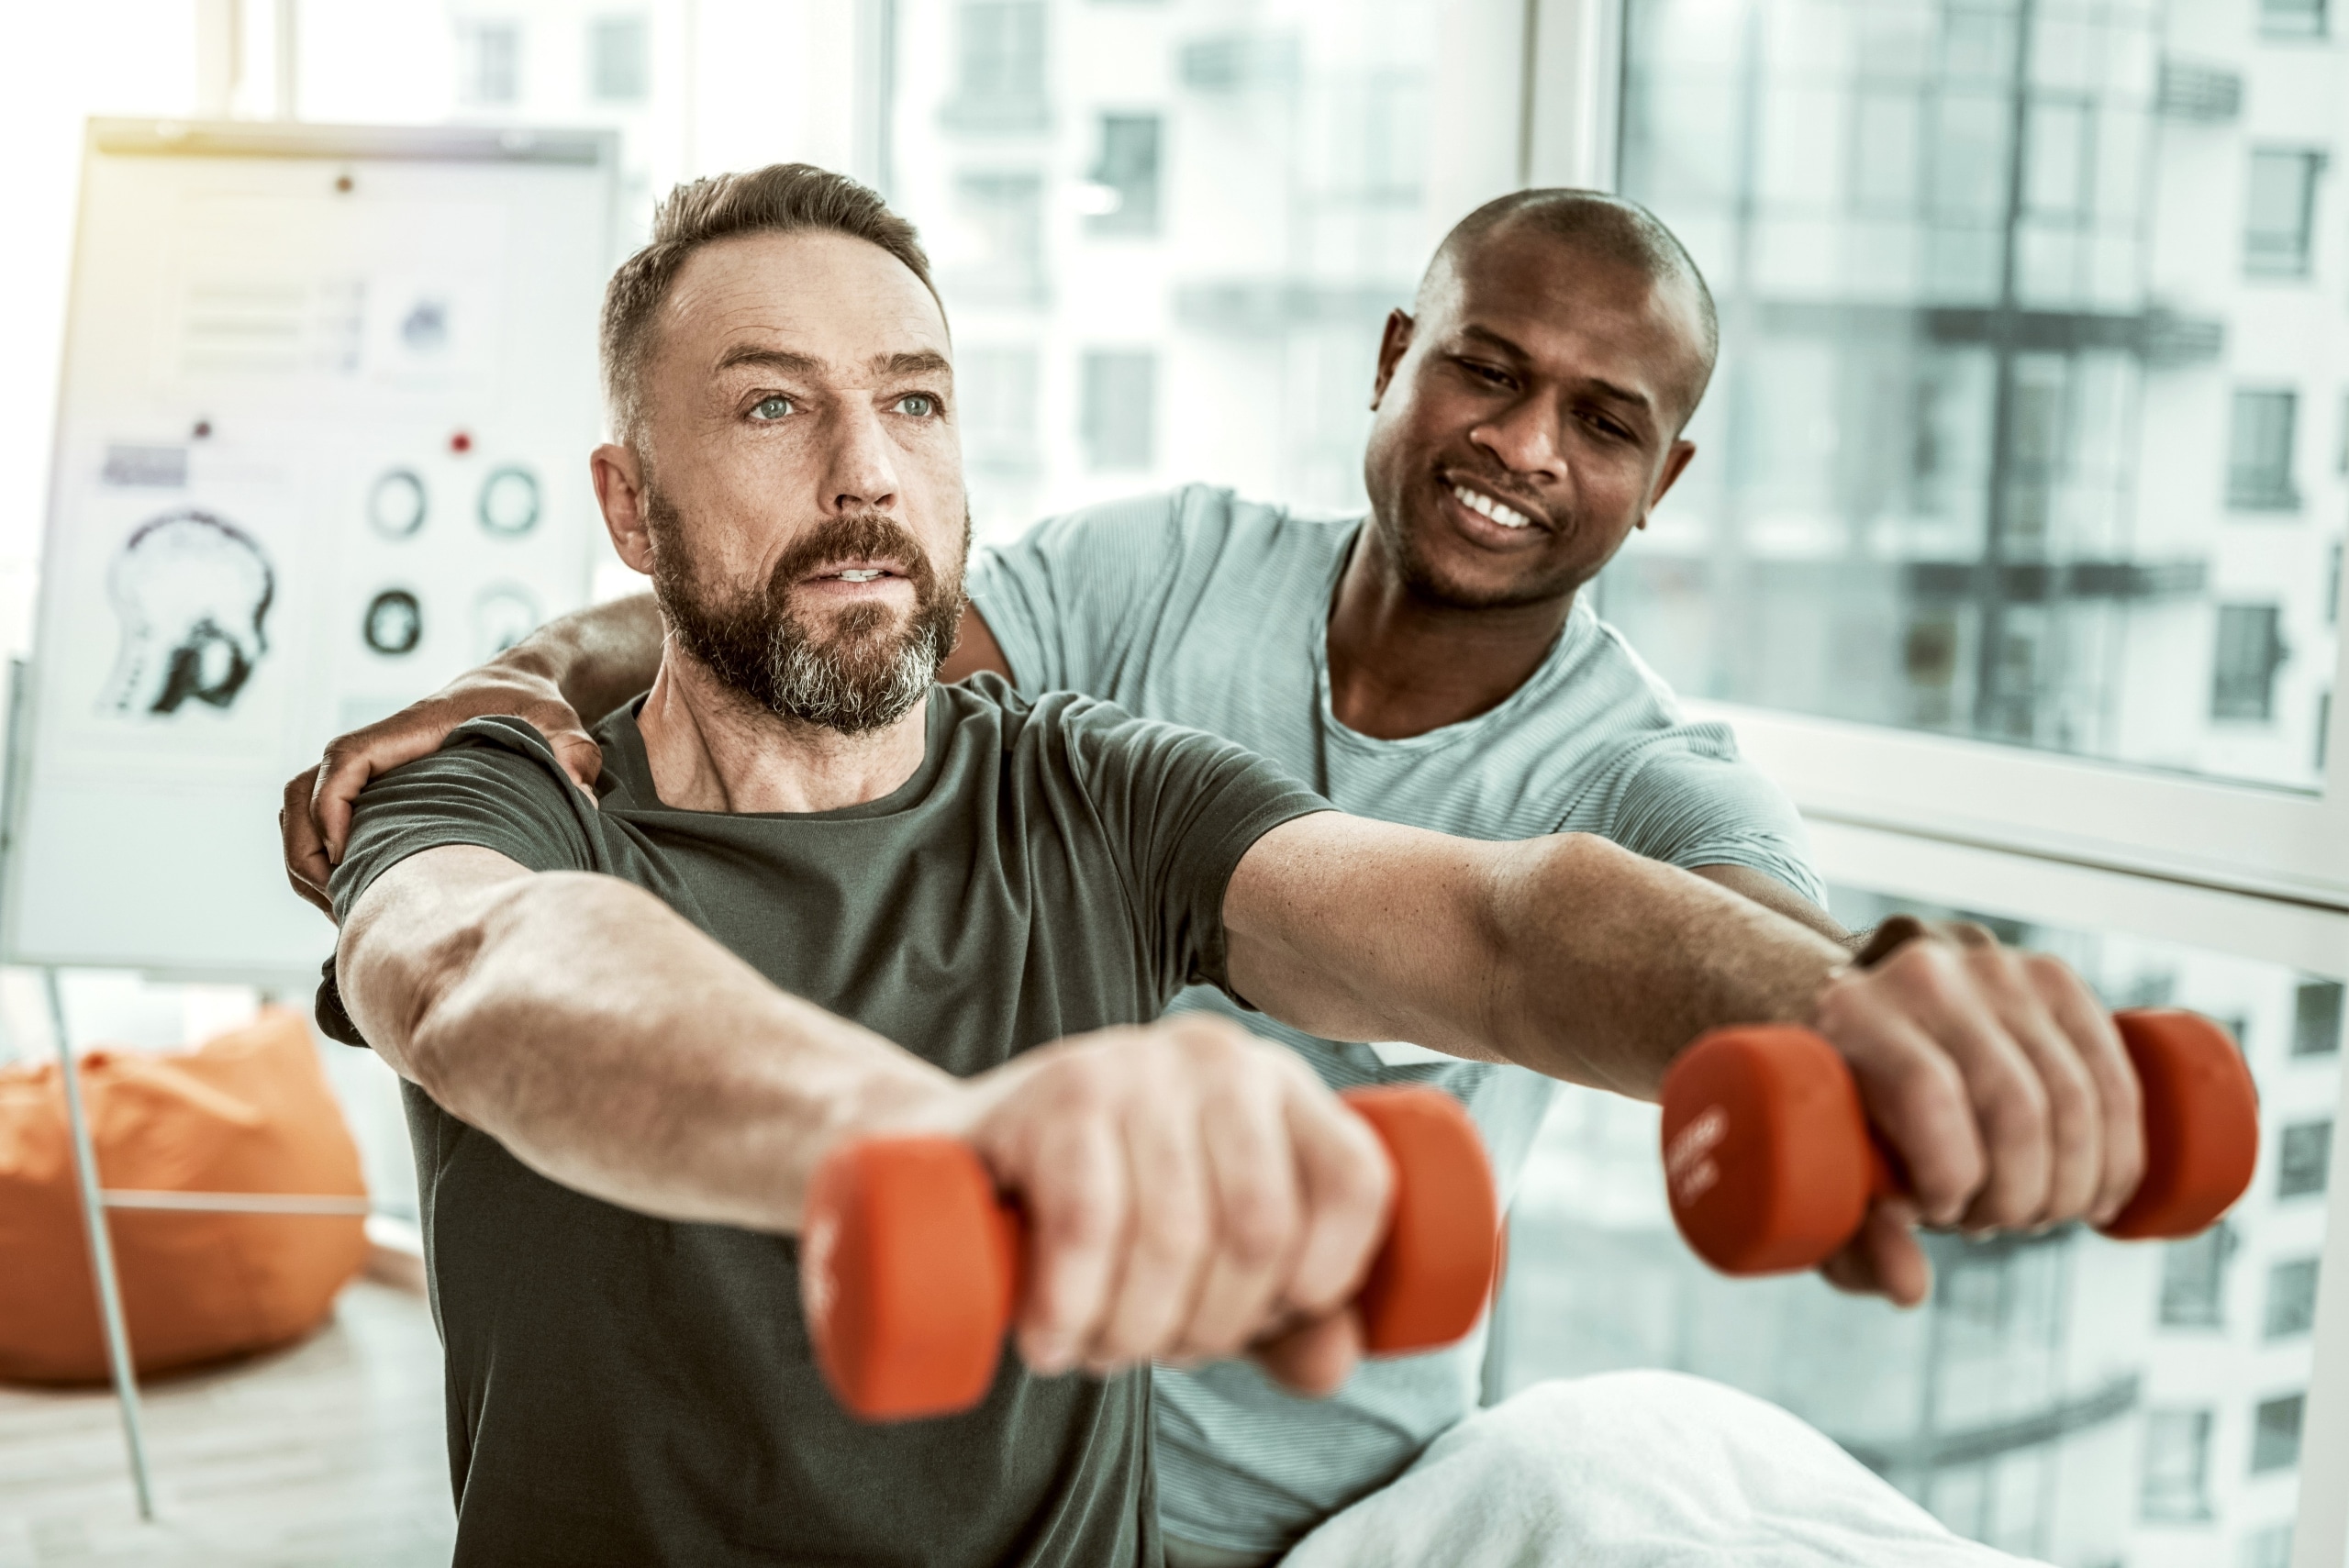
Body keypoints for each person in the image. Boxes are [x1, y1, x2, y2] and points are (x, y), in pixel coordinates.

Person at [296, 166, 2142, 1567]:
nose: (863, 468)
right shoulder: (496, 797)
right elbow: (480, 973)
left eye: (914, 402)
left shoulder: (1095, 786)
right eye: (773, 406)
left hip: (1299, 1501)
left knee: (1629, 1459)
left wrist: (1849, 1010)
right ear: (630, 500)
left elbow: (1505, 930)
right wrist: (928, 1151)